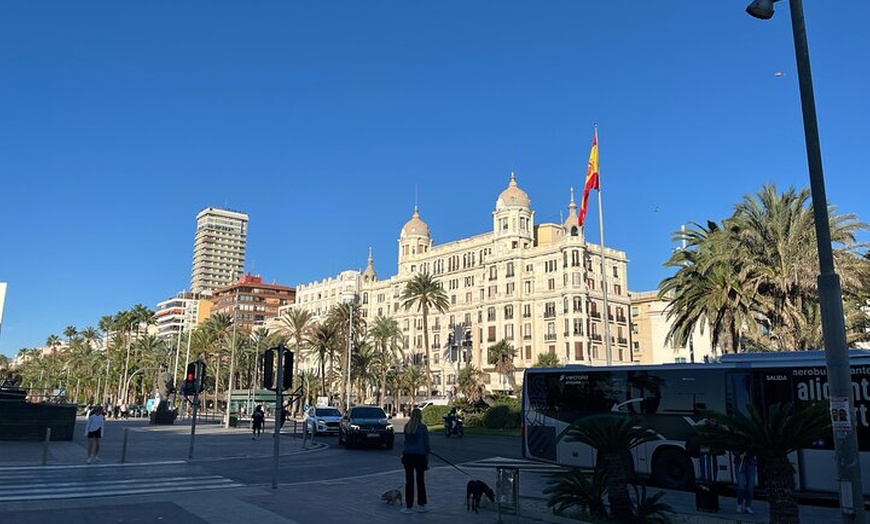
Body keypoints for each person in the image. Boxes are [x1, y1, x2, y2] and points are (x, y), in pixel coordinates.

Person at [400, 407, 431, 514]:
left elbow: (406, 442)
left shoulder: (407, 427)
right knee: (420, 480)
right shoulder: (422, 427)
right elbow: (426, 443)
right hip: (419, 456)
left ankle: (409, 506)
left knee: (409, 481)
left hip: (408, 455)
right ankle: (421, 504)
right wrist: (427, 454)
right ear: (420, 416)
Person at [733, 450, 757, 514]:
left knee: (750, 487)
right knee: (741, 485)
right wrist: (738, 454)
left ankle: (747, 506)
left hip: (751, 463)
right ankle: (739, 504)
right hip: (740, 462)